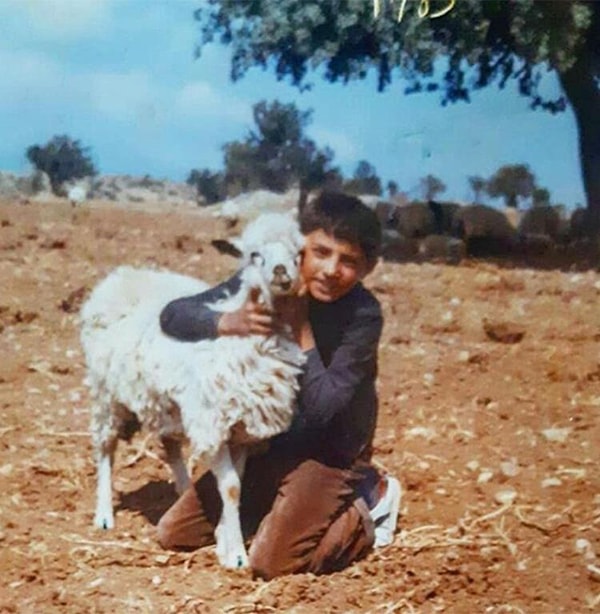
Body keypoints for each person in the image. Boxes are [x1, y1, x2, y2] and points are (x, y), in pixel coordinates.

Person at [156, 191, 401, 579]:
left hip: (330, 453)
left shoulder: (363, 316)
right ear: (299, 246)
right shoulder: (273, 273)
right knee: (174, 533)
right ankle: (279, 508)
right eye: (320, 252)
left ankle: (371, 502)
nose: (330, 269)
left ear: (369, 267)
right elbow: (173, 315)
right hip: (269, 443)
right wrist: (226, 321)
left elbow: (322, 409)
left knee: (271, 564)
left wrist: (301, 327)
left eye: (348, 260)